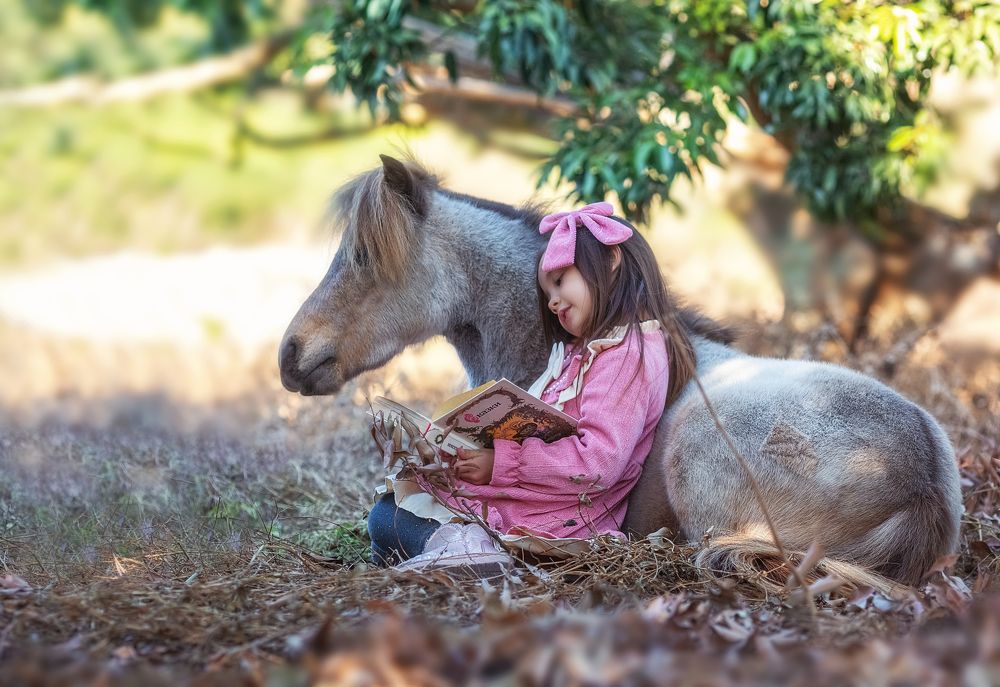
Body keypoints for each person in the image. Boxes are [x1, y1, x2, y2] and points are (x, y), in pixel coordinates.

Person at [367, 202, 698, 575]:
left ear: (610, 262)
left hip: (557, 515)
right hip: (540, 496)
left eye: (560, 282)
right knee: (386, 517)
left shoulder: (626, 354)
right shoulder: (590, 352)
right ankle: (460, 549)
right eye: (548, 292)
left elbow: (598, 462)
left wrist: (501, 463)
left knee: (391, 518)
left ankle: (472, 548)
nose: (553, 302)